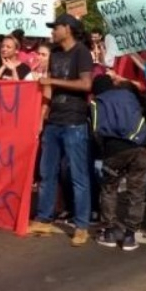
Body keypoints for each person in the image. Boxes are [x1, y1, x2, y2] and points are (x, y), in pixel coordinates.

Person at [29, 13, 94, 247]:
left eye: (55, 28)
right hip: (53, 122)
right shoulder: (55, 55)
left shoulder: (82, 53)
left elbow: (86, 84)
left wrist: (53, 83)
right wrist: (42, 118)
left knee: (78, 176)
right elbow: (48, 89)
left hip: (74, 122)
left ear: (68, 29)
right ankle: (43, 219)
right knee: (47, 174)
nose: (52, 32)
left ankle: (81, 226)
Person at [92, 75, 146, 252]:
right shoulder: (128, 95)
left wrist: (103, 151)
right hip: (139, 146)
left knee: (109, 188)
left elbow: (96, 131)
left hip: (113, 150)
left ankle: (109, 232)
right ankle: (130, 236)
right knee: (136, 191)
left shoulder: (97, 102)